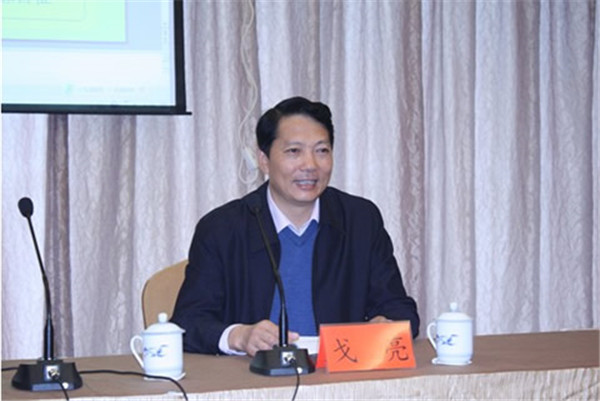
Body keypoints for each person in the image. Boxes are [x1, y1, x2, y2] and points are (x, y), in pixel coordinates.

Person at [171, 96, 419, 356]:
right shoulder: (222, 229)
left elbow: (400, 310)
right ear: (264, 160)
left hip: (338, 373)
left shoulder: (360, 220)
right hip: (253, 375)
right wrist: (239, 336)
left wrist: (386, 325)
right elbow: (188, 322)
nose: (310, 165)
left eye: (321, 151)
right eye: (294, 151)